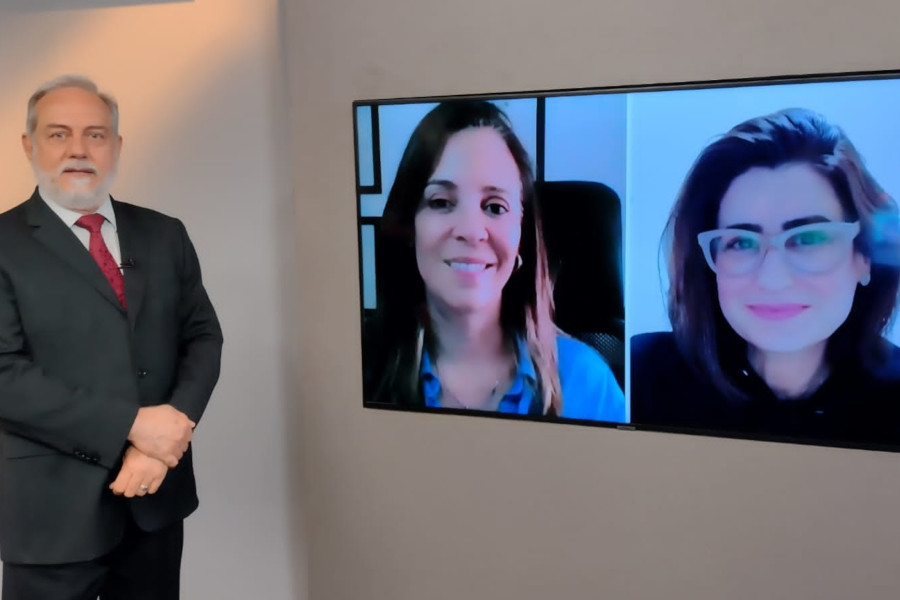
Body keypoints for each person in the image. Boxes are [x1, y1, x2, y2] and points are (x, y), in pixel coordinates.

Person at [0, 75, 223, 599]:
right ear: (29, 145)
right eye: (59, 134)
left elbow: (203, 337)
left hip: (155, 501)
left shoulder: (164, 233)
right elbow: (4, 374)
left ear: (116, 146)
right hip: (51, 513)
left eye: (95, 135)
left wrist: (165, 441)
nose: (78, 149)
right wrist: (133, 426)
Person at [631, 107, 900, 447]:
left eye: (808, 238)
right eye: (741, 243)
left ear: (864, 257)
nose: (772, 279)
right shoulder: (640, 376)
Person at [366, 100, 624, 422]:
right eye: (442, 202)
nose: (472, 232)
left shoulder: (586, 383)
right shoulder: (359, 370)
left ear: (521, 235)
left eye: (495, 207)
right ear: (408, 227)